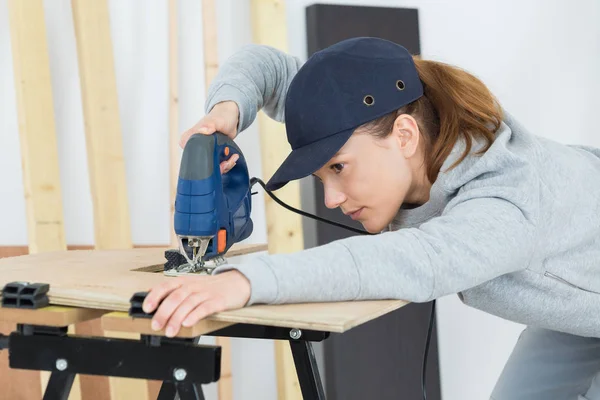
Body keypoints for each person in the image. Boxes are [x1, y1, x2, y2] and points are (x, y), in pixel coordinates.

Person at [142, 37, 600, 399]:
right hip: (580, 315)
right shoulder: (387, 113)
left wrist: (243, 280)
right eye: (323, 176)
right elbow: (269, 67)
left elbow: (415, 261)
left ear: (403, 135)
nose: (333, 199)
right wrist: (226, 112)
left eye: (339, 168)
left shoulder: (508, 199)